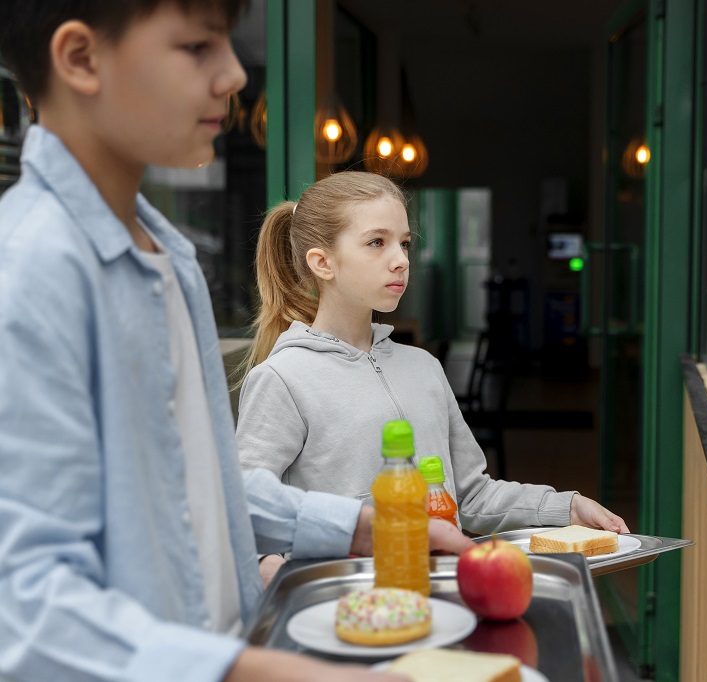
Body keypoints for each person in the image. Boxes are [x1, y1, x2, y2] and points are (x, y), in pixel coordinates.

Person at [0, 3, 471, 681]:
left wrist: (363, 526)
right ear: (80, 59)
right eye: (197, 47)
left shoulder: (167, 256)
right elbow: (26, 611)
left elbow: (205, 489)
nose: (231, 75)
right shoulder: (29, 273)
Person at [234, 170, 630, 579]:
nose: (401, 259)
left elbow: (469, 494)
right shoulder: (282, 378)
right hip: (349, 613)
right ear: (323, 263)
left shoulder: (423, 367)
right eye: (377, 242)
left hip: (443, 596)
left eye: (404, 243)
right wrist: (270, 568)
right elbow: (245, 510)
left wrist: (565, 507)